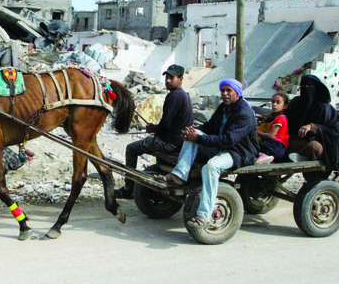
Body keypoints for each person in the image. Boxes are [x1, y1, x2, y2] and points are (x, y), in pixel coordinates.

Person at [164, 79, 258, 229]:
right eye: (223, 91)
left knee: (211, 167)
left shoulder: (244, 113)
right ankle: (180, 175)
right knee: (192, 136)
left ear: (237, 93)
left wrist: (199, 138)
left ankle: (204, 214)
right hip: (223, 145)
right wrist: (193, 131)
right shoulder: (224, 107)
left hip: (238, 151)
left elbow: (228, 140)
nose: (225, 94)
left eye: (228, 91)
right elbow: (210, 126)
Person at [115, 64, 193, 199]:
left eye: (172, 78)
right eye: (166, 77)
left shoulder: (174, 96)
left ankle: (128, 188)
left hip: (170, 143)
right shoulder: (183, 95)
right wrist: (155, 128)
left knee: (131, 148)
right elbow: (169, 123)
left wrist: (155, 130)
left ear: (180, 79)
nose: (168, 80)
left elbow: (166, 122)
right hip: (178, 141)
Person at [285, 75, 339, 173]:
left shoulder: (324, 108)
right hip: (294, 139)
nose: (305, 89)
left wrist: (312, 127)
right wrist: (269, 117)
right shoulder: (296, 102)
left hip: (317, 142)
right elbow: (285, 116)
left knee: (315, 147)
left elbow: (334, 130)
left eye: (309, 87)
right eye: (303, 86)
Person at [255, 92, 289, 164]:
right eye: (273, 102)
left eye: (278, 102)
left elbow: (271, 136)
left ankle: (263, 156)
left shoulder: (279, 118)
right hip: (278, 147)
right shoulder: (279, 117)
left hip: (276, 146)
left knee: (254, 145)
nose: (274, 104)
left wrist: (255, 131)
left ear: (285, 106)